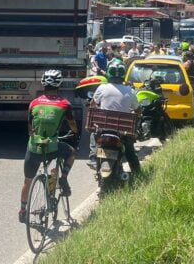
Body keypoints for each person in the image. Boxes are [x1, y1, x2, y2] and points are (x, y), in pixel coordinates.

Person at [19, 69, 79, 223]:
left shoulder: (34, 103)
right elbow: (72, 124)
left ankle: (23, 209)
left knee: (27, 181)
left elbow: (30, 127)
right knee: (71, 152)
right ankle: (63, 178)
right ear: (59, 85)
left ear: (43, 84)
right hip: (52, 146)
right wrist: (75, 133)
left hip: (34, 147)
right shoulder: (64, 104)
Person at [89, 60, 141, 173]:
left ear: (108, 73)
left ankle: (93, 158)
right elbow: (138, 110)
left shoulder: (102, 88)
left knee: (94, 135)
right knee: (130, 152)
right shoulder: (130, 91)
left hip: (103, 129)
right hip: (122, 131)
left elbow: (93, 105)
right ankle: (136, 173)